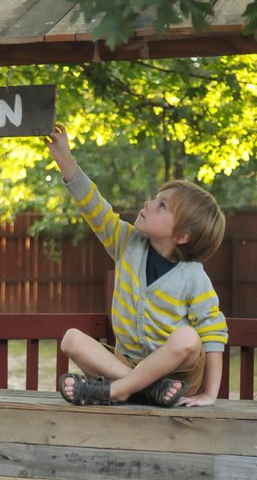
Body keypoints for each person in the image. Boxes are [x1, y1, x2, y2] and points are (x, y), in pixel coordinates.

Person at [44, 123, 228, 408]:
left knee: (188, 337)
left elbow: (213, 331)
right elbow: (94, 207)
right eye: (156, 199)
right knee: (71, 340)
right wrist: (64, 159)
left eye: (162, 205)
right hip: (127, 364)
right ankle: (145, 388)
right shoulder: (126, 242)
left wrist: (209, 394)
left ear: (182, 235)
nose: (149, 203)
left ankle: (117, 390)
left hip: (178, 376)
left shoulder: (193, 275)